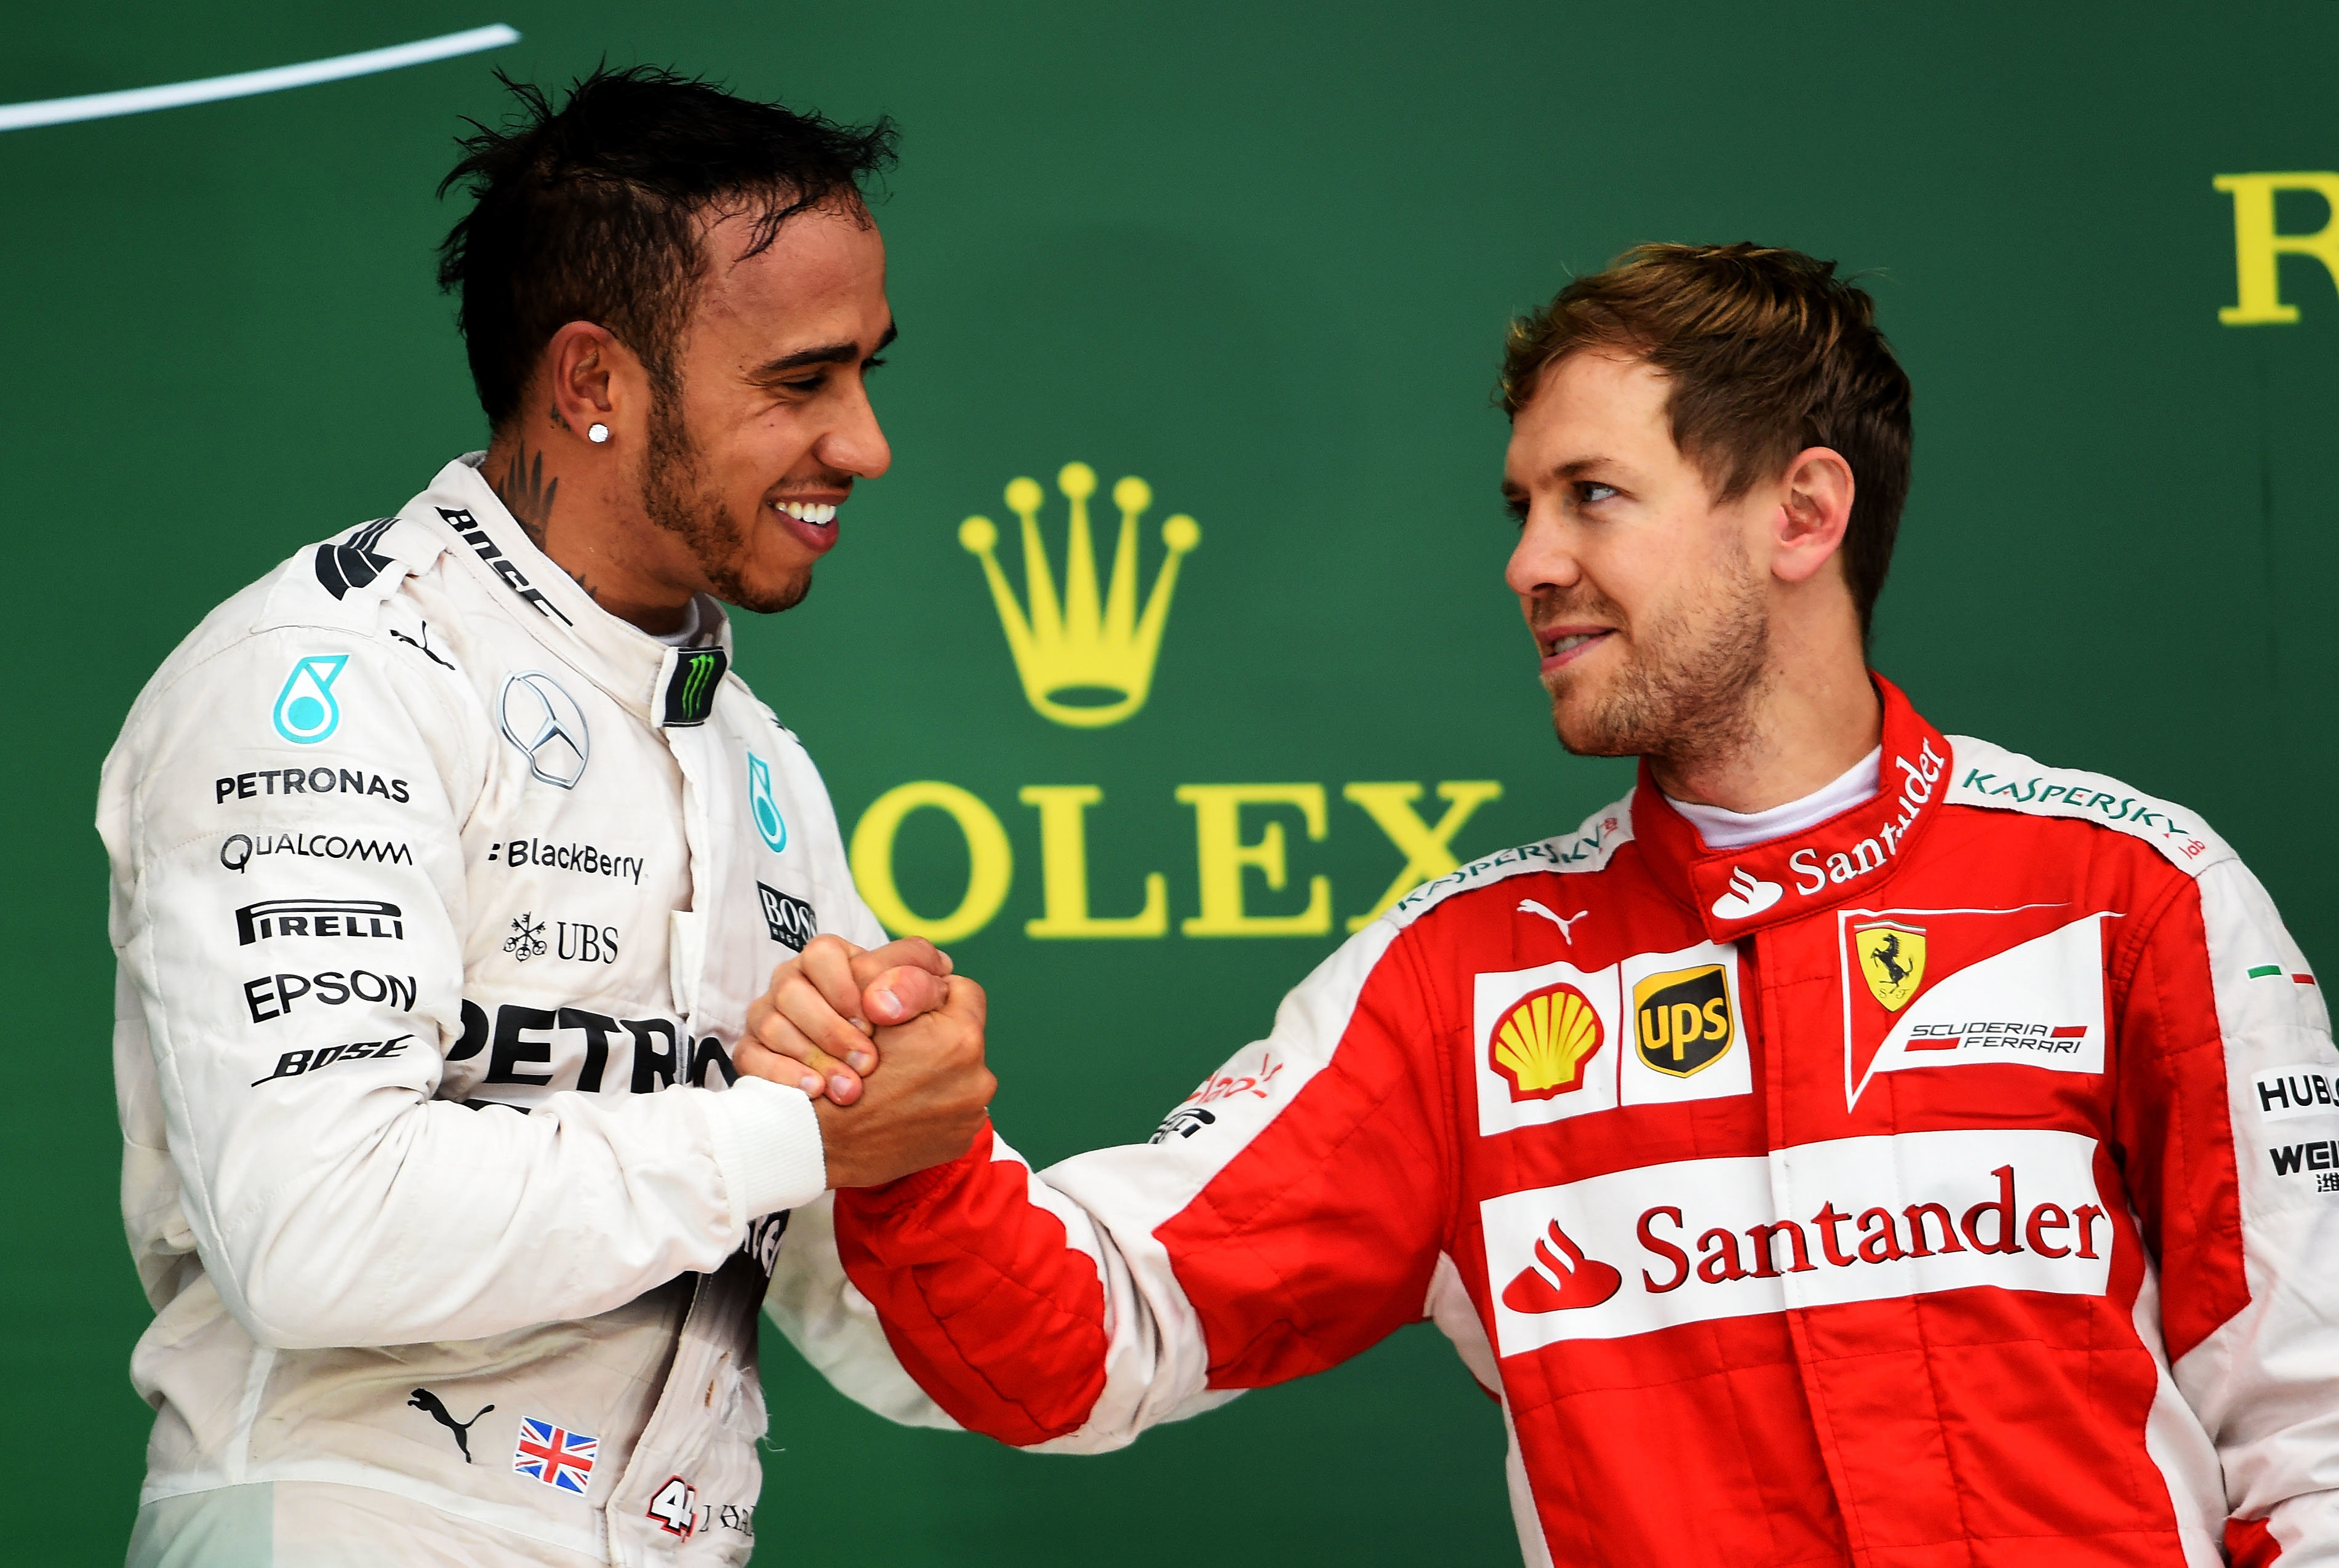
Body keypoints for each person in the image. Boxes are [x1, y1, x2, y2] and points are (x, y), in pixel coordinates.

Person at [752, 244, 2339, 1566]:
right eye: (1519, 507)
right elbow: (1091, 1337)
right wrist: (915, 1156)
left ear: (1801, 513)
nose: (1526, 562)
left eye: (1590, 495)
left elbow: (2312, 1430)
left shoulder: (2127, 892)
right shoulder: (1461, 975)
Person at [97, 69, 988, 1567]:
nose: (864, 442)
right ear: (592, 383)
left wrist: (929, 1139)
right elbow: (317, 1230)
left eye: (865, 373)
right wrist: (802, 1124)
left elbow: (872, 1305)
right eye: (800, 381)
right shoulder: (329, 676)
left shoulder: (757, 757)